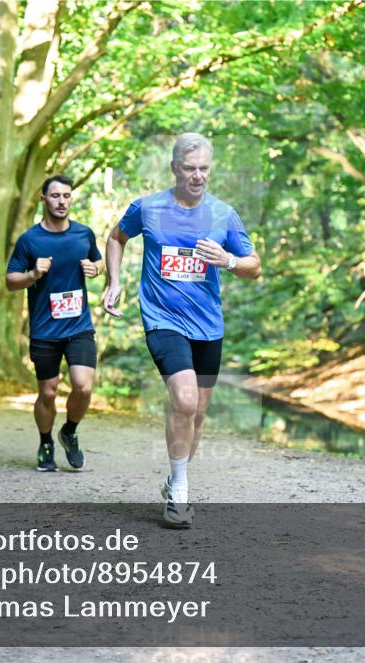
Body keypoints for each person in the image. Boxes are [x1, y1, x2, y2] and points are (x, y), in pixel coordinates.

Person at [103, 133, 261, 528]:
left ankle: (176, 479)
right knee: (186, 400)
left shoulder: (224, 214)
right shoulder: (148, 207)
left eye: (204, 168)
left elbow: (254, 266)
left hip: (208, 326)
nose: (197, 176)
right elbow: (115, 237)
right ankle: (180, 492)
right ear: (174, 168)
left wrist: (228, 260)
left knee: (199, 412)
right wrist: (114, 281)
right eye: (189, 168)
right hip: (162, 320)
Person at [6, 175, 104, 472]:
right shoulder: (30, 240)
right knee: (48, 392)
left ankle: (70, 432)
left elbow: (98, 262)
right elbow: (11, 281)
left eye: (66, 196)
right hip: (45, 330)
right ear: (43, 199)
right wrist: (33, 274)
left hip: (79, 327)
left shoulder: (84, 235)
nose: (61, 201)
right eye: (56, 196)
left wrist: (95, 268)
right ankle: (46, 441)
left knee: (83, 387)